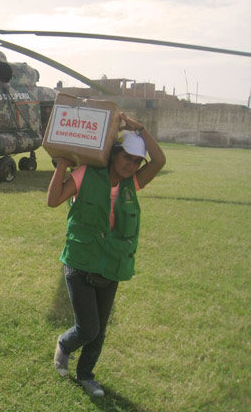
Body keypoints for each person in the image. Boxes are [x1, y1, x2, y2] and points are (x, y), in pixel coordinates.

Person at [46, 113, 166, 397]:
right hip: (80, 260)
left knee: (99, 332)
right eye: (127, 157)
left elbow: (159, 161)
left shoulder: (131, 184)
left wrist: (141, 129)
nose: (131, 165)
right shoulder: (87, 173)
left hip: (111, 264)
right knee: (88, 328)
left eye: (137, 161)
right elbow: (53, 200)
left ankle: (86, 376)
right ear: (114, 153)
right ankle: (64, 345)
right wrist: (62, 163)